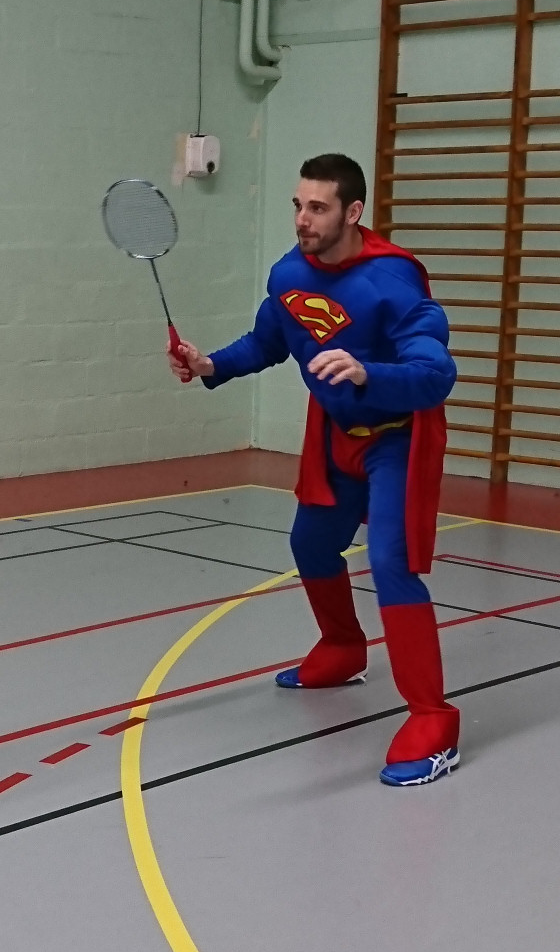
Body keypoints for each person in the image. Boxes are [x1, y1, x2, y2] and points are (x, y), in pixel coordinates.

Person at [172, 153, 463, 786]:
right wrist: (210, 365)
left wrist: (367, 372)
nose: (303, 219)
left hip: (395, 440)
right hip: (334, 436)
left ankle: (433, 720)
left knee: (390, 564)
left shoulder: (394, 282)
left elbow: (436, 374)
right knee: (311, 543)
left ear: (353, 212)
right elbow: (267, 342)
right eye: (298, 205)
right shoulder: (289, 273)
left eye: (318, 207)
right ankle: (342, 646)